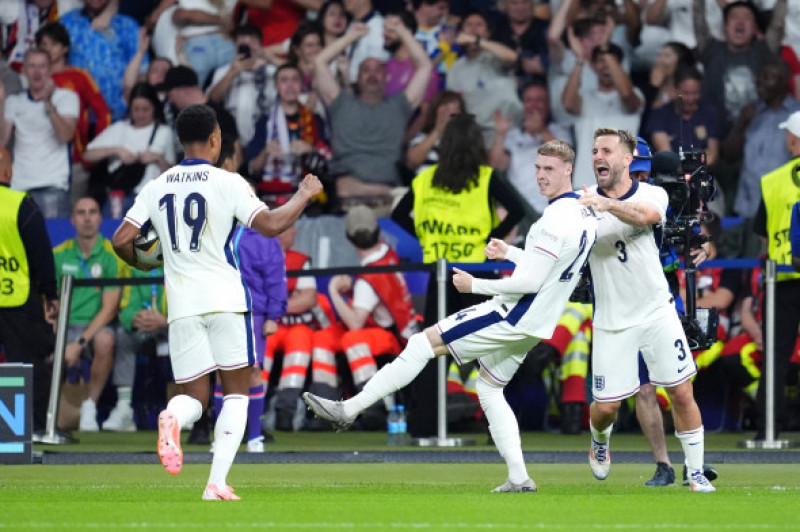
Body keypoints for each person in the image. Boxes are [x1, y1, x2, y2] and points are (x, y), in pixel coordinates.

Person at [303, 139, 598, 492]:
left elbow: (532, 281)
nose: (540, 176)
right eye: (537, 167)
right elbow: (550, 270)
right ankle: (519, 478)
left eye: (549, 169)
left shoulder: (552, 219)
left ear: (568, 169)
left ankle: (348, 410)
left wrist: (476, 285)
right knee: (489, 388)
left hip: (513, 314)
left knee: (421, 343)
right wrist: (510, 252)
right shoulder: (582, 214)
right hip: (536, 323)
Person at [111, 104, 322, 500]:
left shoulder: (157, 185)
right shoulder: (229, 182)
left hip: (182, 307)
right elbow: (273, 225)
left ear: (179, 141)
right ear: (216, 139)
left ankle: (172, 416)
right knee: (238, 393)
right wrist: (304, 194)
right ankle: (215, 482)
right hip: (227, 300)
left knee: (195, 398)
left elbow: (121, 240)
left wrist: (143, 263)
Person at [577, 127, 715, 492]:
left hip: (656, 312)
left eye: (606, 150)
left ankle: (695, 472)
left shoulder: (652, 193)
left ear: (626, 159)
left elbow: (645, 216)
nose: (598, 157)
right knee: (606, 408)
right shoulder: (580, 204)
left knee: (681, 391)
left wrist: (606, 205)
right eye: (594, 151)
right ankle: (599, 439)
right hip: (612, 321)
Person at [393, 112, 524, 435]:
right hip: (477, 274)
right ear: (475, 144)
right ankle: (493, 424)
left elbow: (397, 214)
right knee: (488, 347)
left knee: (431, 348)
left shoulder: (425, 180)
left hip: (441, 273)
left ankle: (423, 425)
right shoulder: (486, 178)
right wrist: (491, 237)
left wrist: (426, 237)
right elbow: (519, 210)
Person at [314, 20, 432, 210]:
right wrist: (351, 36)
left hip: (386, 202)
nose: (372, 74)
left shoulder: (399, 105)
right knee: (344, 187)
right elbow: (319, 62)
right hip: (348, 201)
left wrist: (402, 31)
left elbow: (425, 66)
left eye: (378, 70)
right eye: (366, 70)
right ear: (358, 77)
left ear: (386, 78)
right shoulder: (340, 102)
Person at [0, 147, 59, 435]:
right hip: (18, 299)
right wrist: (51, 293)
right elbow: (41, 254)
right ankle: (35, 427)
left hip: (18, 300)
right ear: (8, 173)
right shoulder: (20, 203)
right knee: (29, 365)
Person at [53, 197, 124, 432]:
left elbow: (110, 308)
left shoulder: (110, 255)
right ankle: (44, 411)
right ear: (72, 220)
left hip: (93, 329)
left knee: (106, 340)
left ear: (100, 219)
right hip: (62, 325)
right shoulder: (59, 254)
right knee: (38, 341)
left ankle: (90, 407)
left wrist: (79, 343)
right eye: (81, 212)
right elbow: (49, 303)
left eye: (92, 212)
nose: (87, 218)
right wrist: (57, 338)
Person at [751, 109, 800, 440]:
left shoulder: (773, 180)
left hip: (781, 277)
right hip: (782, 275)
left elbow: (762, 234)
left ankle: (769, 427)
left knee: (776, 356)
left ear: (794, 140)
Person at [35, 21, 113, 205]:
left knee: (74, 216)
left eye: (53, 44)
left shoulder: (78, 77)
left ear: (65, 48)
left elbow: (104, 114)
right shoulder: (34, 78)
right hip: (39, 160)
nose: (48, 49)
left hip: (75, 160)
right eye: (43, 45)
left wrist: (92, 150)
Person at [0, 48, 79, 219]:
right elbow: (2, 141)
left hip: (52, 185)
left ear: (50, 69)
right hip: (19, 186)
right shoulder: (14, 101)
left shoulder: (67, 97)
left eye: (42, 66)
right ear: (24, 70)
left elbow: (65, 135)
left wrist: (48, 103)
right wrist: (1, 101)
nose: (37, 72)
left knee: (54, 243)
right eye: (32, 66)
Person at [83, 82, 175, 218]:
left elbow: (172, 175)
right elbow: (87, 155)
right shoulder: (119, 128)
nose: (140, 114)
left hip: (150, 199)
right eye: (136, 109)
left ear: (154, 108)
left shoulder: (164, 132)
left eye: (146, 109)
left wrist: (158, 158)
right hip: (118, 197)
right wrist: (116, 150)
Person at [246, 64, 330, 208]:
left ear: (302, 85)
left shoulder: (315, 120)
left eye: (295, 80)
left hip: (308, 201)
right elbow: (252, 169)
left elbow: (328, 165)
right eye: (284, 80)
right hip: (270, 201)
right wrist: (266, 152)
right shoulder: (265, 122)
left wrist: (310, 150)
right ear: (276, 86)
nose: (290, 85)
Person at [491, 77, 573, 218]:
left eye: (539, 100)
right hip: (519, 210)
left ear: (548, 105)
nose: (533, 105)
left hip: (551, 210)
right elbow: (497, 166)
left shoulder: (559, 131)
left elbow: (563, 157)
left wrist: (541, 129)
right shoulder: (512, 135)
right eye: (529, 100)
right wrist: (500, 135)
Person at [60, 0, 147, 121]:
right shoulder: (66, 23)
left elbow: (142, 72)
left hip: (119, 117)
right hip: (75, 117)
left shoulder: (127, 25)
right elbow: (54, 63)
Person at [445, 10, 520, 147]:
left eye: (479, 25)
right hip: (475, 136)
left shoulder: (496, 56)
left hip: (508, 133)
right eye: (469, 25)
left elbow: (513, 58)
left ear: (487, 33)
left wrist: (476, 40)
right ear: (461, 31)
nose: (473, 28)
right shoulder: (455, 68)